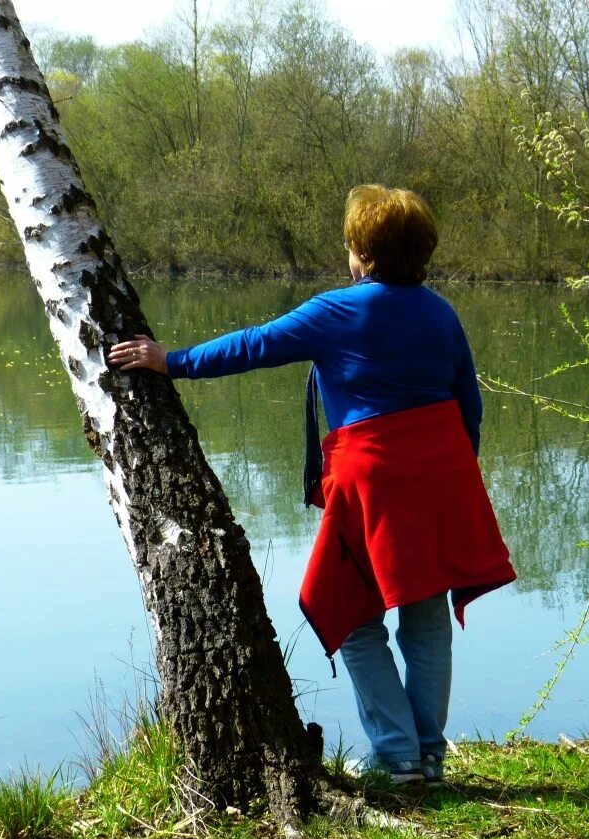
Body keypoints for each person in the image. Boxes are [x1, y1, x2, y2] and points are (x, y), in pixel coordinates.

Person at [108, 185, 516, 785]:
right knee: (426, 613)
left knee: (348, 611)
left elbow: (253, 346)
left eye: (351, 243)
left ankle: (398, 755)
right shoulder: (441, 313)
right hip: (442, 474)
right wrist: (453, 479)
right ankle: (428, 755)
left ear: (363, 252)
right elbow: (469, 408)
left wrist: (170, 360)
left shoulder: (336, 311)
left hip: (372, 479)